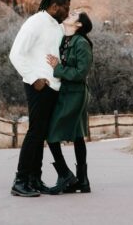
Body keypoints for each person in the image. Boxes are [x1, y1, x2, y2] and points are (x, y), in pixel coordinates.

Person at [8, 0, 71, 197]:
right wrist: (34, 78)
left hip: (52, 87)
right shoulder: (36, 22)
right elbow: (16, 53)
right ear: (54, 6)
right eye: (66, 8)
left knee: (41, 134)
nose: (67, 12)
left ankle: (34, 179)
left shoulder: (57, 27)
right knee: (35, 133)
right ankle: (20, 181)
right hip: (38, 86)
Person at [46, 11, 93, 194]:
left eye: (74, 15)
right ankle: (81, 181)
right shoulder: (63, 40)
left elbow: (81, 73)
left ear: (79, 25)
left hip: (75, 93)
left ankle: (68, 175)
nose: (69, 14)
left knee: (52, 133)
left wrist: (58, 68)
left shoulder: (81, 43)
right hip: (64, 92)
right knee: (77, 134)